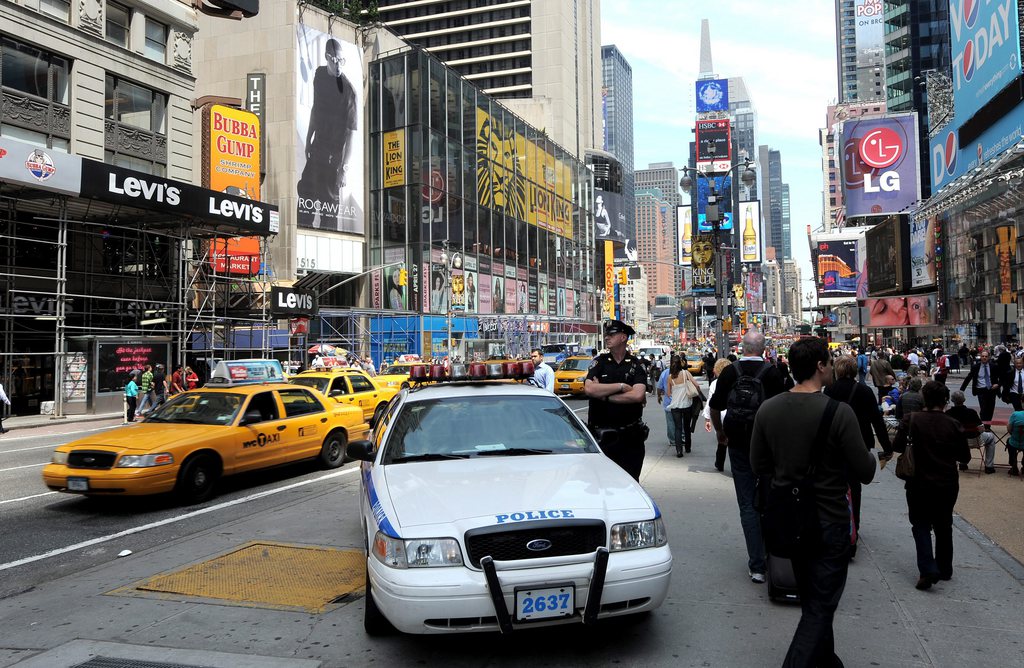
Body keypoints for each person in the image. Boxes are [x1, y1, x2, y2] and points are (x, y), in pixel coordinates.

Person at [751, 336, 875, 666]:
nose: (833, 367)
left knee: (813, 600)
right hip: (829, 521)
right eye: (830, 363)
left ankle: (827, 662)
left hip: (789, 523)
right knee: (820, 606)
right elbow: (865, 471)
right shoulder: (839, 412)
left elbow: (758, 465)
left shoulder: (768, 409)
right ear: (820, 367)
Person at [709, 328, 786, 584]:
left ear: (742, 347)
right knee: (768, 500)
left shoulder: (731, 371)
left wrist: (721, 434)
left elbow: (715, 405)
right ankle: (772, 554)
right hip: (768, 447)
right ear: (764, 349)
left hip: (738, 444)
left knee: (746, 505)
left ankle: (757, 567)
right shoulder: (773, 372)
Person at [892, 381, 970, 589]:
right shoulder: (953, 424)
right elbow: (965, 456)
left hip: (918, 480)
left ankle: (927, 568)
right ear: (945, 401)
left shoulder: (912, 419)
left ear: (924, 399)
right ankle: (944, 567)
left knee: (920, 524)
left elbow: (897, 446)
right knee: (944, 524)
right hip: (946, 481)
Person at [824, 355, 893, 549]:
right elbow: (877, 421)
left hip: (834, 445)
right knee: (855, 488)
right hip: (860, 443)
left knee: (835, 486)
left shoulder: (830, 390)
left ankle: (837, 526)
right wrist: (887, 447)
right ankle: (855, 527)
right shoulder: (864, 391)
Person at [296, 37, 358, 231]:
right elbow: (316, 109)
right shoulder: (319, 75)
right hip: (317, 148)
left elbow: (351, 135)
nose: (338, 65)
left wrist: (344, 169)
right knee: (306, 194)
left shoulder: (349, 92)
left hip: (334, 157)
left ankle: (328, 238)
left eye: (342, 60)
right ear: (327, 58)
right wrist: (308, 140)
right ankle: (303, 232)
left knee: (329, 204)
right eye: (334, 60)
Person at [584, 320, 649, 481]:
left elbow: (637, 395)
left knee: (631, 483)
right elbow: (590, 389)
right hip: (602, 437)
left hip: (630, 438)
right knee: (602, 485)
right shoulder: (599, 362)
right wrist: (621, 386)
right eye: (606, 335)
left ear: (623, 337)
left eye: (612, 334)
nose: (607, 338)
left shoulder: (636, 364)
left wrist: (604, 395)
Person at [946, 390, 996, 474]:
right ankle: (989, 466)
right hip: (974, 440)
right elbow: (981, 428)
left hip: (956, 442)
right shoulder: (971, 412)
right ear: (964, 400)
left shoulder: (948, 413)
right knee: (991, 437)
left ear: (952, 400)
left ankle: (963, 463)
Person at [666, 355, 698, 458]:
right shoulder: (686, 373)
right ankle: (687, 447)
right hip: (687, 405)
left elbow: (668, 393)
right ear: (681, 364)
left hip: (675, 406)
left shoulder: (670, 377)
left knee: (678, 428)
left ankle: (679, 451)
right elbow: (696, 385)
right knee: (686, 427)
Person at [960, 348, 1000, 421]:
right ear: (980, 357)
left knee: (990, 408)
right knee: (983, 408)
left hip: (991, 390)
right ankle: (984, 425)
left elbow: (1001, 377)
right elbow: (969, 377)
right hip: (980, 390)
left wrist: (998, 384)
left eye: (986, 356)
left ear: (989, 357)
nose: (984, 358)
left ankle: (988, 425)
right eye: (983, 356)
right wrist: (962, 389)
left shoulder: (994, 366)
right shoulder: (976, 367)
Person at [657, 357, 678, 448]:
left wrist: (658, 396)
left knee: (671, 422)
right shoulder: (683, 373)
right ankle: (682, 438)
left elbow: (659, 387)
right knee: (680, 421)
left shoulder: (665, 373)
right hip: (681, 402)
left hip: (669, 402)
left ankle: (673, 440)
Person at [1008, 406, 1024, 476]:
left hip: (1015, 442)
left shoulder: (1015, 414)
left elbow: (1009, 429)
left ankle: (1013, 465)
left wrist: (1013, 434)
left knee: (1009, 441)